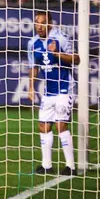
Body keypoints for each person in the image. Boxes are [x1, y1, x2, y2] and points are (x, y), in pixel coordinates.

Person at [28, 11, 79, 176]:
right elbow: (33, 66)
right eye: (37, 22)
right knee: (43, 125)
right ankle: (47, 166)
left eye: (43, 23)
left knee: (60, 124)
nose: (39, 26)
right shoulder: (32, 43)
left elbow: (76, 58)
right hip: (48, 91)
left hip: (65, 87)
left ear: (50, 23)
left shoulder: (61, 38)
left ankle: (71, 167)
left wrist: (57, 53)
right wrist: (31, 86)